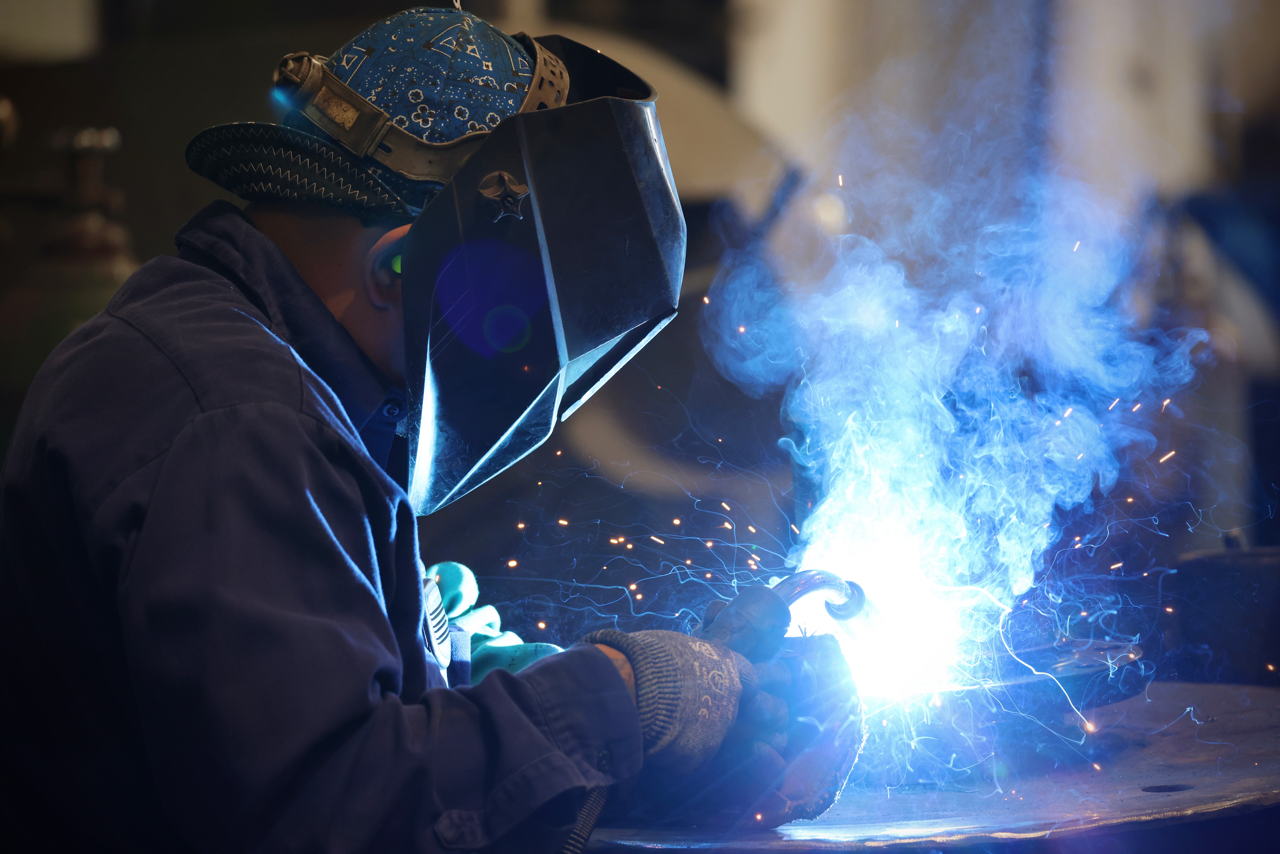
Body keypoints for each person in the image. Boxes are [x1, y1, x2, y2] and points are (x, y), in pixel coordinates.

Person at [0, 9, 858, 853]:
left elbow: (393, 676)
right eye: (515, 337)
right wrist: (625, 693)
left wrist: (663, 717)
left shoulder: (256, 364)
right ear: (398, 268)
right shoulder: (241, 425)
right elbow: (337, 805)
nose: (523, 386)